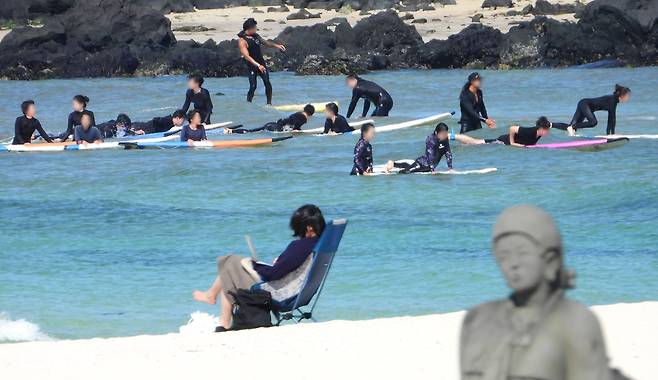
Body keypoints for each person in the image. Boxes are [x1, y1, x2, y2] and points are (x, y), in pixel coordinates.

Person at [460, 205, 624, 380]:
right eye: (503, 255)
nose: (512, 263)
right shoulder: (478, 320)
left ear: (551, 261)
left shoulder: (575, 322)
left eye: (522, 252)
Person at [192, 204, 325, 331]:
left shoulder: (300, 246)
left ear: (308, 228)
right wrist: (276, 264)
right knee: (231, 266)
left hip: (280, 295)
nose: (297, 233)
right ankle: (214, 302)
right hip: (299, 294)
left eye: (298, 228)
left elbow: (274, 274)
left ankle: (222, 320)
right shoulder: (320, 244)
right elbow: (287, 269)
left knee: (230, 261)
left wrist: (255, 265)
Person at [238, 18, 286, 105]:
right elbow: (247, 56)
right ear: (249, 28)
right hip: (252, 66)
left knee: (267, 82)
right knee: (253, 86)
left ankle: (269, 103)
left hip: (261, 64)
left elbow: (266, 43)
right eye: (255, 27)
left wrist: (277, 46)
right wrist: (258, 65)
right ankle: (248, 104)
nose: (256, 29)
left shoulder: (255, 36)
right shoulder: (242, 41)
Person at [555, 84, 631, 136]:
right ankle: (572, 127)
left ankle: (550, 124)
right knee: (593, 122)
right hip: (585, 104)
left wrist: (610, 135)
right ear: (622, 95)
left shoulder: (613, 100)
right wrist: (611, 135)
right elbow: (612, 119)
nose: (628, 98)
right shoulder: (612, 101)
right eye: (627, 96)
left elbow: (611, 120)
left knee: (571, 127)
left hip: (583, 103)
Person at [386, 123, 453, 174]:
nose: (445, 135)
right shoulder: (431, 139)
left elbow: (448, 153)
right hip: (422, 164)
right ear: (436, 132)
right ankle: (393, 166)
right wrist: (432, 169)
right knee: (407, 171)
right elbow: (431, 155)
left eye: (446, 133)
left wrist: (450, 168)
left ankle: (393, 163)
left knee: (409, 166)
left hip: (429, 167)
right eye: (443, 134)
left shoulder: (445, 139)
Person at [456, 117, 552, 147]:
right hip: (502, 141)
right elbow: (512, 128)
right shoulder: (530, 131)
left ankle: (460, 141)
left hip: (504, 143)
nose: (548, 132)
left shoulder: (539, 134)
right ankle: (453, 136)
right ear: (541, 129)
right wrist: (513, 143)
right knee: (475, 142)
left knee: (474, 143)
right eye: (546, 130)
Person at [228, 104, 314, 134]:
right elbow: (296, 127)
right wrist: (297, 131)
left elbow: (291, 122)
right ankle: (232, 131)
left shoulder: (298, 113)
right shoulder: (304, 118)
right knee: (251, 132)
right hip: (275, 128)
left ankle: (231, 131)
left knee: (251, 131)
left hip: (273, 124)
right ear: (311, 114)